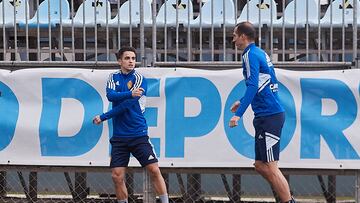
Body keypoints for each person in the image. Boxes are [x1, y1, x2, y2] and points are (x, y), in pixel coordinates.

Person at [229, 22, 296, 203]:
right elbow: (260, 83)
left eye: (235, 35)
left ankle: (288, 200)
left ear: (243, 36)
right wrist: (242, 101)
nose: (233, 39)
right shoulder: (259, 52)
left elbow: (252, 85)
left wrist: (239, 113)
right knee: (260, 165)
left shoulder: (250, 54)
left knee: (271, 168)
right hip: (266, 115)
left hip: (269, 116)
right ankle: (287, 196)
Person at [93, 47, 168, 203]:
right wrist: (129, 93)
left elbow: (126, 105)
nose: (131, 61)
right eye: (127, 58)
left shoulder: (140, 79)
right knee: (117, 176)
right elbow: (111, 96)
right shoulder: (113, 77)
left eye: (133, 58)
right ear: (119, 61)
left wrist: (103, 117)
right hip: (120, 136)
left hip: (138, 133)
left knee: (154, 170)